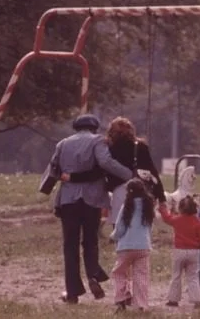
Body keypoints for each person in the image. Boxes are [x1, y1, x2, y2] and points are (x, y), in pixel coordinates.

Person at [47, 113, 133, 304]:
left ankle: (72, 292)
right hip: (92, 199)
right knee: (90, 240)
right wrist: (128, 174)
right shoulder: (98, 141)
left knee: (70, 245)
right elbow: (105, 162)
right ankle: (93, 274)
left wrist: (71, 178)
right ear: (94, 127)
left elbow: (54, 168)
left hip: (68, 199)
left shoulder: (62, 143)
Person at [105, 117, 166, 227]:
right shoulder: (140, 146)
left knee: (120, 225)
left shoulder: (110, 148)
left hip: (119, 190)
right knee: (141, 224)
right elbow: (152, 171)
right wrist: (161, 196)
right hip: (141, 189)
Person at [158, 195, 200, 308]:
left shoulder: (177, 219)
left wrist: (162, 208)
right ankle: (197, 300)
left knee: (176, 275)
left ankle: (173, 300)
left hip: (179, 251)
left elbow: (167, 218)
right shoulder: (199, 223)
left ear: (180, 208)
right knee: (193, 277)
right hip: (194, 252)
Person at [109, 178, 155, 312]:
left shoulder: (127, 206)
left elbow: (120, 227)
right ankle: (140, 305)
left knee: (119, 272)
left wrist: (113, 237)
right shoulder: (148, 206)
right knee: (141, 276)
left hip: (126, 247)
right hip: (143, 246)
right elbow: (149, 227)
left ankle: (121, 298)